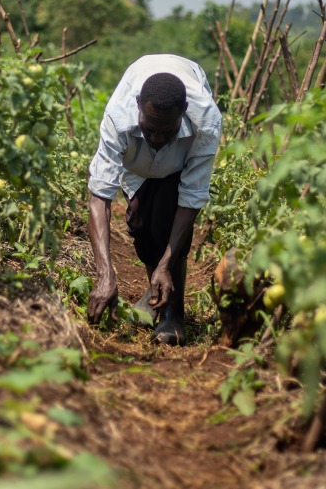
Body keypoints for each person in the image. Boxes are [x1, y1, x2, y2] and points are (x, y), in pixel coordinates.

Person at [85, 54, 223, 345]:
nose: (158, 139)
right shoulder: (118, 119)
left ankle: (173, 314)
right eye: (150, 128)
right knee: (140, 224)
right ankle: (155, 292)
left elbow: (191, 198)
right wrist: (105, 274)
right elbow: (100, 195)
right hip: (136, 161)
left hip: (179, 160)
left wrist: (166, 264)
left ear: (183, 111)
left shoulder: (205, 123)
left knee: (166, 218)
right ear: (138, 107)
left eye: (166, 131)